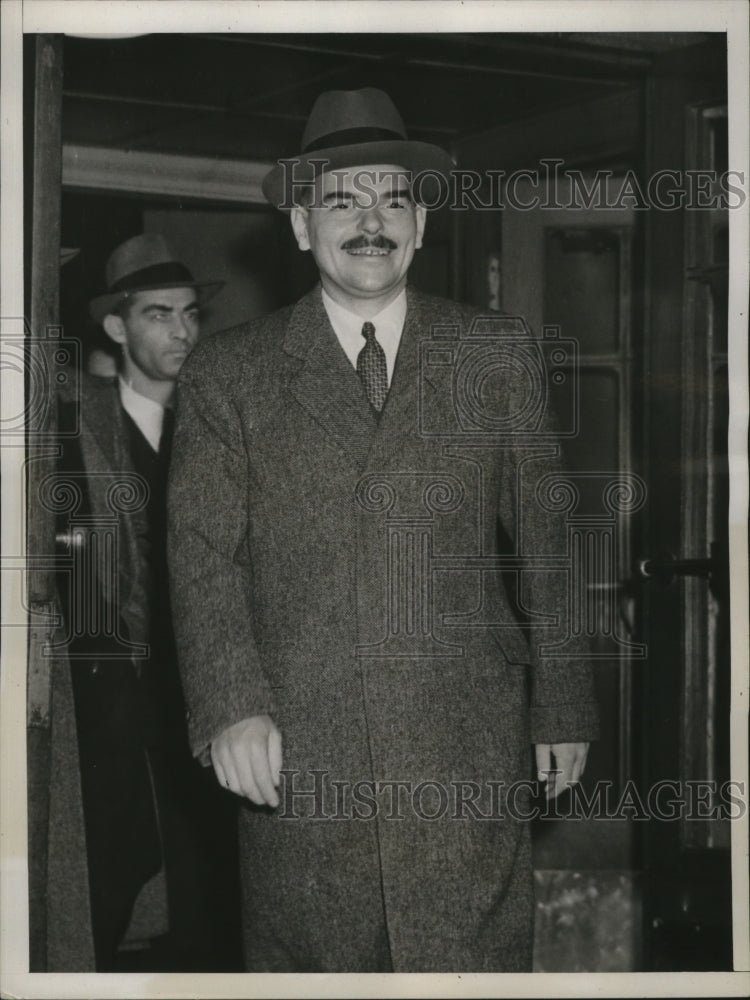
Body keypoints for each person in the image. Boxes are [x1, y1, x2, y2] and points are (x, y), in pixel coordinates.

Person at [168, 89, 599, 973]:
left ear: (421, 224)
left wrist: (563, 701)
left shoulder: (493, 353)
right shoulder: (229, 373)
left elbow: (548, 541)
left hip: (465, 745)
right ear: (301, 226)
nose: (371, 223)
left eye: (393, 201)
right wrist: (232, 706)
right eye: (342, 201)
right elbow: (204, 556)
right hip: (301, 753)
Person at [52, 234, 241, 971]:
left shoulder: (222, 425)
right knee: (121, 874)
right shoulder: (78, 433)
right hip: (118, 697)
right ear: (116, 326)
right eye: (159, 314)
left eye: (190, 313)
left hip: (211, 689)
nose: (183, 332)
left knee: (210, 893)